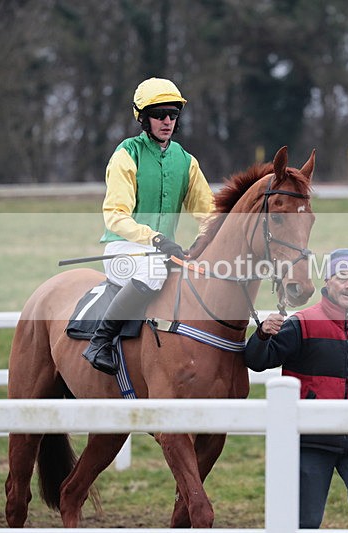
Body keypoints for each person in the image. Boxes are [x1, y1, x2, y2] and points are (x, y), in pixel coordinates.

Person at [244, 248, 348, 529]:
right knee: (306, 521)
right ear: (327, 281)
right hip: (312, 440)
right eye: (343, 278)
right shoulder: (301, 323)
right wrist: (260, 336)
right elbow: (257, 361)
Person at [82, 77, 215, 375]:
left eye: (173, 114)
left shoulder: (187, 161)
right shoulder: (127, 154)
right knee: (154, 272)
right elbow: (115, 215)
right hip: (124, 246)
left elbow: (209, 212)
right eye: (159, 114)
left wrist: (202, 243)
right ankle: (100, 341)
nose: (167, 121)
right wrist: (154, 238)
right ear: (143, 118)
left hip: (165, 251)